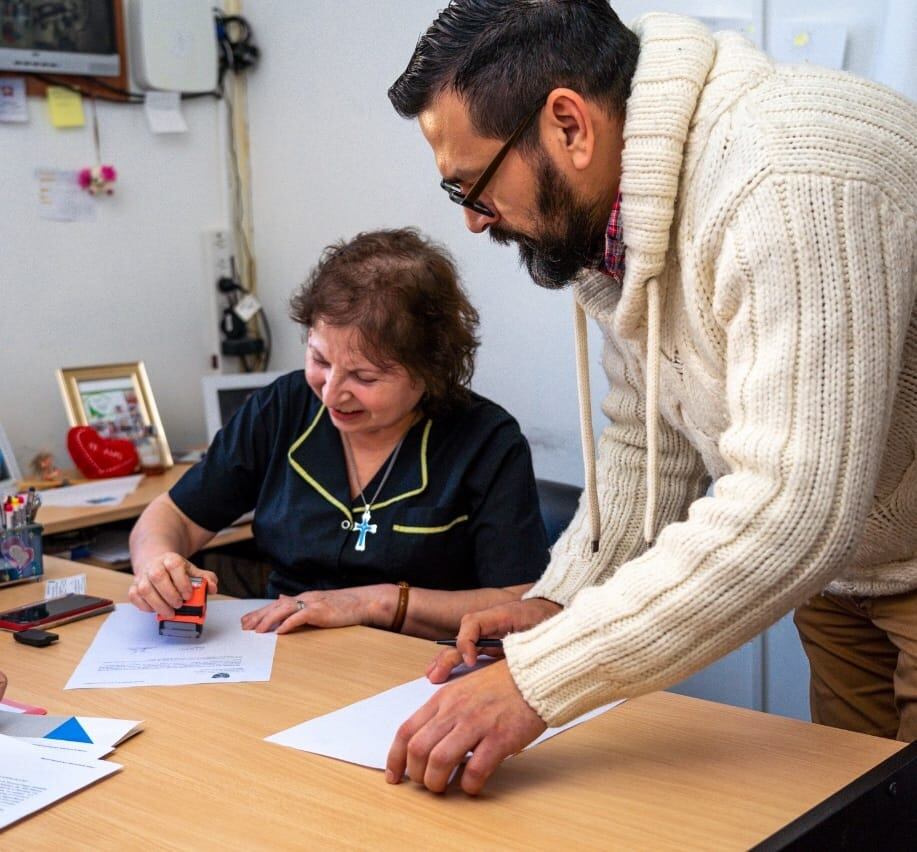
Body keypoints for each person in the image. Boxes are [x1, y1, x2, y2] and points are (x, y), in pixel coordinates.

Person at [383, 1, 917, 794]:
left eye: (474, 185)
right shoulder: (621, 214)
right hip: (846, 577)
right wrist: (562, 603)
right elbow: (647, 438)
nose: (470, 221)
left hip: (857, 542)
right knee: (858, 816)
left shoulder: (790, 171)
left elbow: (793, 504)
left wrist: (537, 681)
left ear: (568, 124)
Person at [128, 228, 548, 638]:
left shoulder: (487, 442)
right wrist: (157, 563)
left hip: (418, 665)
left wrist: (375, 602)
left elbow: (519, 602)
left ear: (429, 372)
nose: (331, 394)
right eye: (320, 360)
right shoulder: (282, 408)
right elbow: (173, 517)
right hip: (284, 653)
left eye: (364, 377)